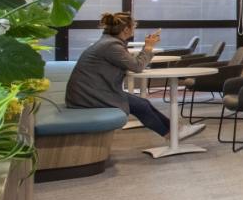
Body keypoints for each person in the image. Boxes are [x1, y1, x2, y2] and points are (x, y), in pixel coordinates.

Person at [65, 11, 175, 139]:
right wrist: (149, 46)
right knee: (141, 106)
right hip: (88, 96)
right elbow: (137, 67)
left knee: (143, 103)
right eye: (133, 27)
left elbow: (131, 64)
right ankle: (171, 135)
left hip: (89, 91)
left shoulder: (107, 42)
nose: (134, 29)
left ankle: (174, 131)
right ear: (127, 29)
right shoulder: (111, 46)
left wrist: (146, 47)